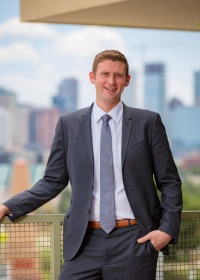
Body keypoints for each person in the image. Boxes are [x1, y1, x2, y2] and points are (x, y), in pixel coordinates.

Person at [0, 50, 182, 280]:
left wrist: (166, 230)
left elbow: (170, 182)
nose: (111, 81)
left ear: (127, 80)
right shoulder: (69, 124)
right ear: (92, 77)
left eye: (118, 75)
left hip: (135, 241)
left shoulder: (148, 122)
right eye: (105, 74)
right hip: (84, 242)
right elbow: (52, 181)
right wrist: (9, 206)